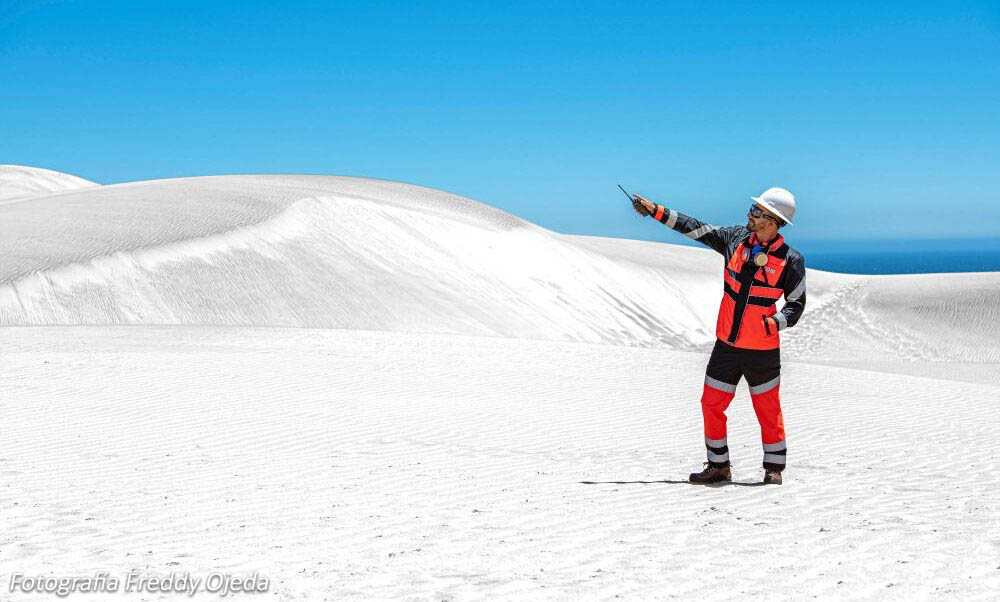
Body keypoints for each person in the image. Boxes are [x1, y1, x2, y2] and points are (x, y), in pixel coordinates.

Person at [630, 188, 806, 485]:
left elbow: (796, 305)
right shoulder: (733, 239)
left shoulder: (791, 260)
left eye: (758, 212)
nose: (750, 214)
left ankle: (773, 470)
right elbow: (694, 227)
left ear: (773, 221)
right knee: (711, 404)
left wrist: (773, 323)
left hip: (762, 351)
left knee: (767, 409)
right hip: (725, 346)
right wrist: (656, 210)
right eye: (753, 209)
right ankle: (718, 466)